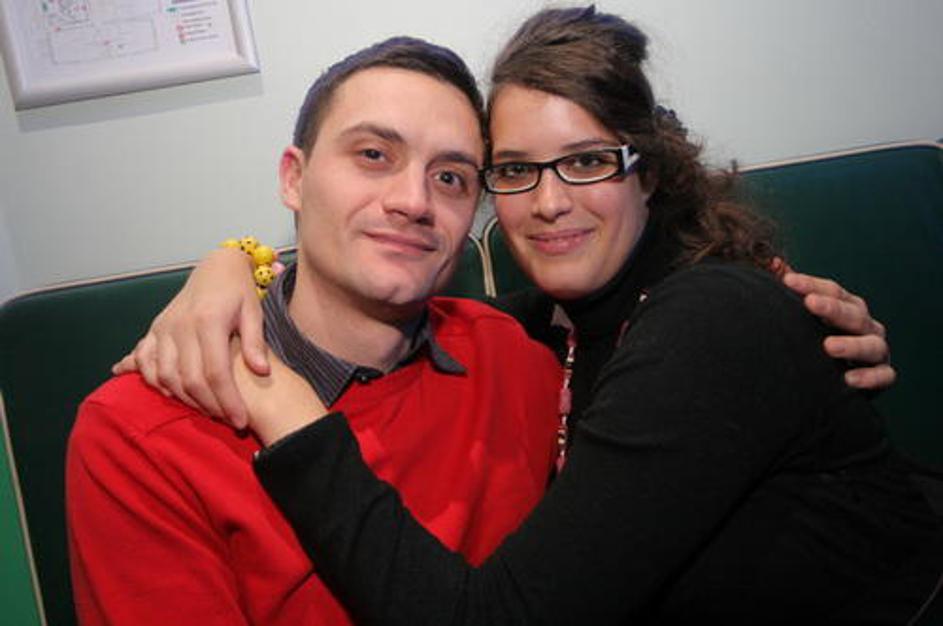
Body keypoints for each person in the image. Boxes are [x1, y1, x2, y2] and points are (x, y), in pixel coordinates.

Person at [124, 6, 942, 625]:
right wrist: (231, 269)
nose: (548, 202)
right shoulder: (544, 324)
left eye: (586, 161)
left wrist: (290, 414)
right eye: (514, 170)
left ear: (649, 173)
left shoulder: (714, 321)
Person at [66, 37, 566, 626]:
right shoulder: (142, 435)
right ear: (294, 179)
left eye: (451, 178)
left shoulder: (513, 359)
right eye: (373, 155)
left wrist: (231, 260)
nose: (414, 201)